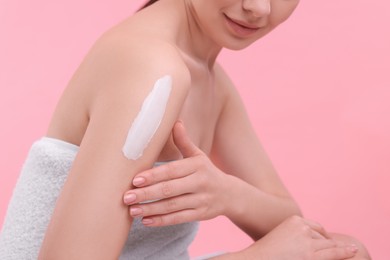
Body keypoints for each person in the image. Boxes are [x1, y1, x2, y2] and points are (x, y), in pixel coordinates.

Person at [0, 0, 370, 259]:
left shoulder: (211, 83)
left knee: (346, 253)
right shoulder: (150, 66)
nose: (259, 7)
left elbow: (292, 222)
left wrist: (227, 194)